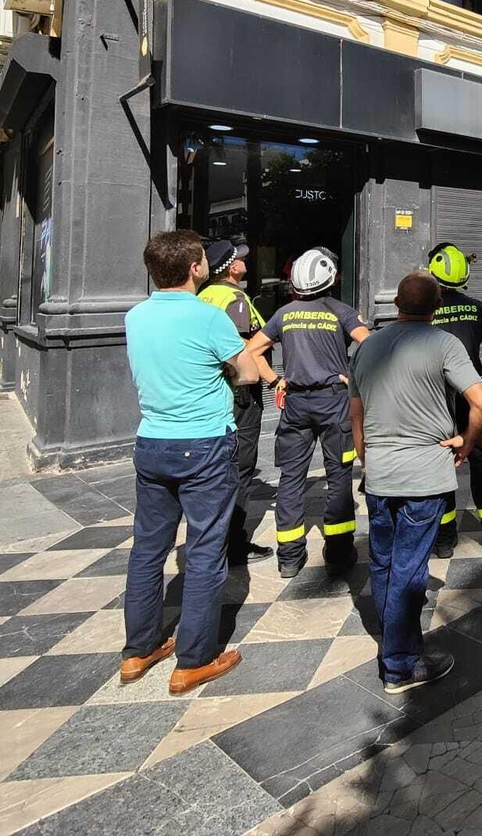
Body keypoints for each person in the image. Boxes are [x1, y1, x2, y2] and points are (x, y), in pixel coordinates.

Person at [120, 229, 259, 695]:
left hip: (151, 442)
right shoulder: (208, 318)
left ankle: (139, 650)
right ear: (196, 268)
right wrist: (222, 369)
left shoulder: (135, 316)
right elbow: (249, 373)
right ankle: (194, 660)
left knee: (147, 550)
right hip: (203, 444)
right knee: (204, 553)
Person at [349, 271, 482, 694]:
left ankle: (394, 643)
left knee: (383, 561)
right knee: (411, 569)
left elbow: (355, 415)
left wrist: (366, 456)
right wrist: (467, 441)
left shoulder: (367, 345)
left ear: (396, 303)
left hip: (380, 474)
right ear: (436, 308)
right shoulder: (443, 343)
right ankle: (400, 664)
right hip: (424, 476)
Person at [244, 247, 370, 579]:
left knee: (291, 479)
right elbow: (369, 345)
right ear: (330, 278)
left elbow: (253, 350)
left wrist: (276, 382)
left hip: (296, 404)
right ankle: (339, 552)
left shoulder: (283, 314)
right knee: (339, 476)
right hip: (334, 404)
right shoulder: (341, 311)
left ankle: (289, 556)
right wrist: (351, 375)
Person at [426, 242, 482, 557]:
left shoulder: (426, 311)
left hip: (436, 402)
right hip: (473, 397)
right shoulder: (478, 308)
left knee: (439, 466)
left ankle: (445, 540)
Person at [199, 239, 272, 565]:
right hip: (240, 392)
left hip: (216, 389)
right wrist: (271, 380)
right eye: (239, 258)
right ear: (231, 268)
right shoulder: (234, 298)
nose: (245, 261)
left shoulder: (204, 295)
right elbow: (244, 349)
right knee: (241, 467)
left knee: (219, 466)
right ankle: (234, 543)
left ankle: (216, 538)